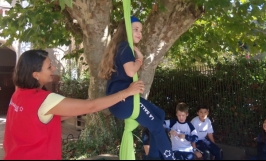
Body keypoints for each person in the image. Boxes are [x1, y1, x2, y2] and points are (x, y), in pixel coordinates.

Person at [3, 49, 145, 160]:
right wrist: (126, 92)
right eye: (49, 67)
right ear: (36, 75)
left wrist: (81, 108)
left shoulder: (18, 94)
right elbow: (92, 106)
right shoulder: (45, 100)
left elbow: (37, 120)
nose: (53, 69)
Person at [98, 16, 174, 160]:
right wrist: (139, 59)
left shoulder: (121, 47)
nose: (140, 33)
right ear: (126, 31)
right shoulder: (125, 46)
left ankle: (152, 156)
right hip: (124, 101)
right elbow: (131, 71)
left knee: (160, 114)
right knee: (157, 126)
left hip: (122, 101)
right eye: (136, 30)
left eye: (141, 30)